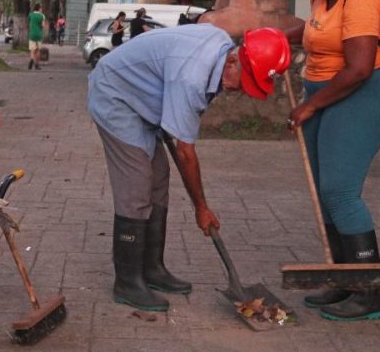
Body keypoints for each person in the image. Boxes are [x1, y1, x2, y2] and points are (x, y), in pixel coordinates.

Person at [88, 24, 291, 312]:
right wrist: (201, 207)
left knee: (158, 179)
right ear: (233, 61)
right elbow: (185, 152)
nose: (241, 91)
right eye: (244, 82)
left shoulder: (222, 47)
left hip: (145, 97)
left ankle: (152, 269)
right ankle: (128, 281)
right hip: (116, 95)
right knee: (136, 185)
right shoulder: (192, 77)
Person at [284, 0, 380, 322]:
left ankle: (368, 292)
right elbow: (315, 34)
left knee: (340, 191)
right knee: (322, 192)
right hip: (324, 94)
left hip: (359, 95)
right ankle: (342, 277)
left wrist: (310, 106)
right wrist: (279, 36)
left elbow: (359, 68)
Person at [27, 4, 47, 70]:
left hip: (32, 34)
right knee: (38, 50)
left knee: (32, 50)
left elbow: (29, 23)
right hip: (39, 34)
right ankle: (37, 64)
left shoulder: (30, 15)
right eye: (41, 8)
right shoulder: (42, 16)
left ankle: (32, 59)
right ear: (39, 9)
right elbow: (43, 26)